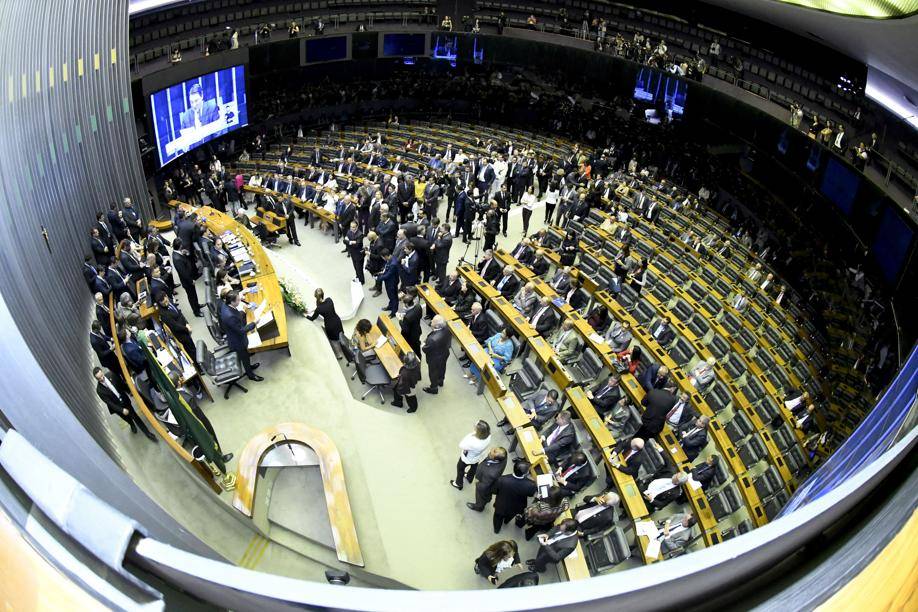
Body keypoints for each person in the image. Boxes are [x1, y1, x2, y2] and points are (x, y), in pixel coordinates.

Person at [93, 367, 156, 441]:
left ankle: (148, 434)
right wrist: (121, 410)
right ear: (96, 379)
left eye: (102, 376)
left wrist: (130, 391)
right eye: (99, 378)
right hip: (117, 407)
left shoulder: (111, 375)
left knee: (135, 416)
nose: (102, 378)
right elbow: (109, 403)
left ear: (102, 372)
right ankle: (131, 424)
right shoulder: (100, 390)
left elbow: (122, 384)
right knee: (126, 418)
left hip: (124, 400)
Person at [218, 290, 263, 382]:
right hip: (237, 341)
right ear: (232, 301)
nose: (240, 301)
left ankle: (249, 367)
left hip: (235, 332)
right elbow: (241, 331)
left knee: (245, 355)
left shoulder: (226, 305)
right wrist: (254, 323)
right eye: (238, 300)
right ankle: (250, 375)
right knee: (245, 358)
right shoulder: (230, 316)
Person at [492, 460, 537, 534]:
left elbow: (494, 491)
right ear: (525, 473)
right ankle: (506, 521)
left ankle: (496, 529)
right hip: (516, 507)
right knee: (509, 516)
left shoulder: (502, 479)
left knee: (498, 517)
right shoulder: (531, 485)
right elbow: (530, 494)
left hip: (501, 505)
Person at [156, 293, 198, 368]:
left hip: (185, 327)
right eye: (162, 303)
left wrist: (187, 323)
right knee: (191, 351)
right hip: (181, 334)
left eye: (165, 300)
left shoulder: (170, 301)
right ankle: (199, 367)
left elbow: (180, 313)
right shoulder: (163, 314)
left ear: (166, 296)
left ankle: (200, 361)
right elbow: (175, 326)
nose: (165, 303)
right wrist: (186, 328)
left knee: (193, 347)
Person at [451, 420, 492, 490]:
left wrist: (471, 435)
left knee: (460, 469)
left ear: (479, 432)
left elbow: (461, 445)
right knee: (474, 467)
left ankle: (458, 484)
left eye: (475, 427)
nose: (474, 427)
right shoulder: (489, 436)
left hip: (467, 459)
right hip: (477, 457)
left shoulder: (473, 442)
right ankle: (469, 478)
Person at [468, 447, 508, 512]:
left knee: (480, 496)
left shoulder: (491, 473)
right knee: (488, 494)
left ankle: (479, 507)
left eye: (490, 454)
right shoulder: (503, 457)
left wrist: (477, 483)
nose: (489, 452)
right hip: (491, 483)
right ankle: (487, 499)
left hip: (484, 485)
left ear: (495, 459)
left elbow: (483, 486)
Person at [307, 289, 345, 359]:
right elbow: (325, 306)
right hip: (337, 321)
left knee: (333, 341)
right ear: (323, 294)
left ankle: (339, 355)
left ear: (316, 297)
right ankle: (344, 348)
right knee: (340, 336)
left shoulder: (318, 309)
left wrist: (306, 315)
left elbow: (312, 318)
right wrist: (314, 309)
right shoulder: (329, 300)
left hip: (329, 325)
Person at [422, 315, 451, 394]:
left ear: (437, 325)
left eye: (433, 321)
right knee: (442, 367)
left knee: (433, 373)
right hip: (444, 353)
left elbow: (425, 349)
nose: (431, 322)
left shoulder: (432, 339)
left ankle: (434, 388)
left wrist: (423, 345)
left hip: (434, 359)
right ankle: (440, 381)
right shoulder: (446, 329)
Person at [398, 288, 423, 355]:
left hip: (410, 336)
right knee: (417, 347)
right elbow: (420, 316)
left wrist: (400, 320)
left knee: (412, 347)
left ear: (406, 304)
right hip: (417, 330)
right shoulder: (418, 306)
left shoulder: (407, 317)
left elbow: (405, 329)